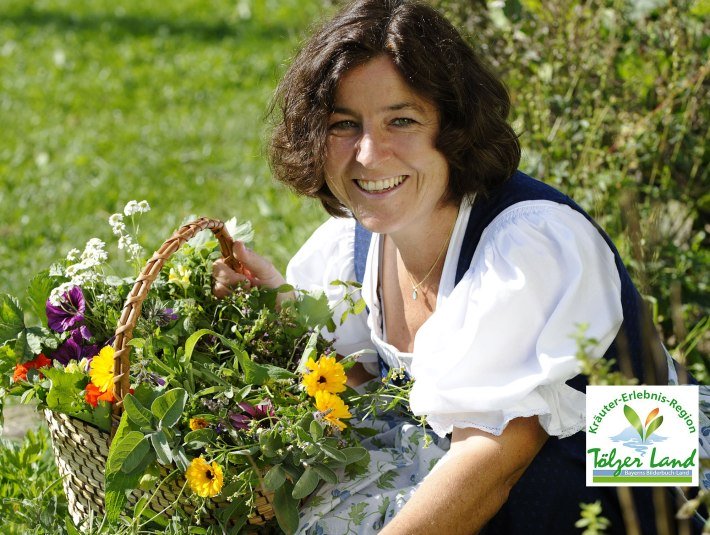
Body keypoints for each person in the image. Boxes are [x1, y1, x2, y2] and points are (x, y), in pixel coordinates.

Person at [213, 1, 707, 533]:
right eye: (343, 124)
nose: (369, 153)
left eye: (401, 120)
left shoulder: (527, 246)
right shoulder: (350, 247)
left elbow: (491, 464)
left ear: (453, 126)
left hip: (635, 484)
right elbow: (361, 388)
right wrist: (282, 309)